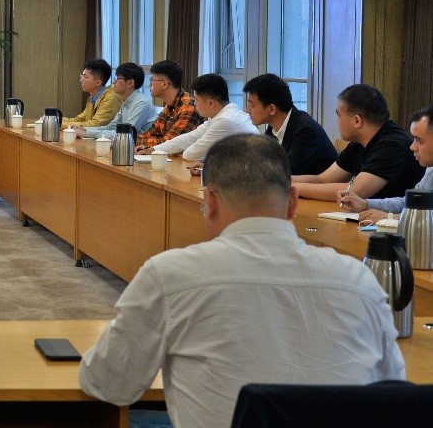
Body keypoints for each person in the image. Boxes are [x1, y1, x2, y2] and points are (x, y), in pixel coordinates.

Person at [79, 134, 405, 428]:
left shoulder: (170, 276)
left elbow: (108, 383)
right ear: (292, 202)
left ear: (210, 202)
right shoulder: (359, 280)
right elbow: (392, 391)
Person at [293, 84, 425, 201]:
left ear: (357, 121)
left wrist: (292, 187)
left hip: (396, 218)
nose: (337, 121)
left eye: (339, 115)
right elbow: (323, 179)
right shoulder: (359, 143)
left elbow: (355, 192)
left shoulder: (393, 145)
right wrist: (284, 182)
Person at [339, 104, 433, 224]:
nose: (412, 147)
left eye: (419, 140)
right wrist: (366, 204)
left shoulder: (394, 143)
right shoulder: (431, 170)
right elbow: (408, 203)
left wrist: (391, 218)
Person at [144, 74, 256, 163]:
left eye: (197, 100)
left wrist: (182, 152)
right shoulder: (221, 114)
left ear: (210, 103)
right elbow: (190, 137)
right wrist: (155, 149)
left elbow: (192, 154)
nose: (194, 104)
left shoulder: (225, 120)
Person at [243, 73, 336, 175]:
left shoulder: (305, 131)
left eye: (252, 105)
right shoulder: (273, 128)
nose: (247, 110)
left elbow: (285, 173)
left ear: (272, 109)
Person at [75, 62, 158, 139]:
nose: (114, 82)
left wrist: (87, 133)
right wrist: (85, 129)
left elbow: (125, 134)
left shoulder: (141, 103)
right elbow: (111, 126)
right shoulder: (126, 102)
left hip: (142, 146)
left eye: (118, 78)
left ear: (130, 83)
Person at [135, 60, 201, 149]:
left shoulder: (188, 106)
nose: (149, 84)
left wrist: (132, 141)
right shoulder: (169, 105)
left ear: (164, 84)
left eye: (152, 80)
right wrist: (132, 140)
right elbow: (152, 133)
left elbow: (169, 143)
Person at [63, 58, 122, 129]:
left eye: (85, 77)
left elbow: (95, 125)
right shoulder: (92, 99)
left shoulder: (110, 99)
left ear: (98, 82)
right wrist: (57, 119)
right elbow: (79, 119)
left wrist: (60, 125)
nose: (81, 80)